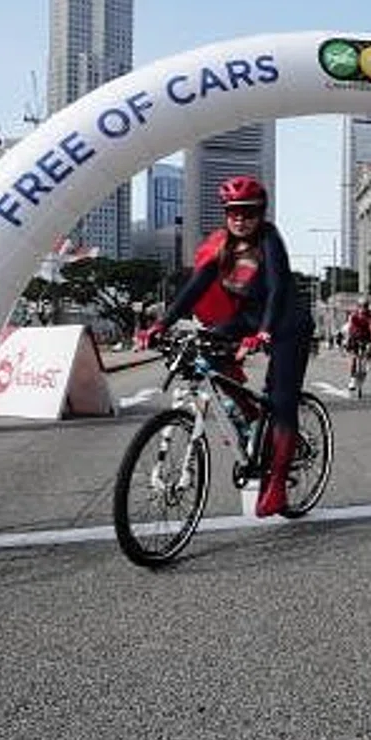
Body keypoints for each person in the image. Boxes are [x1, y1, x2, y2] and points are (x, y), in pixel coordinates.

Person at [140, 175, 312, 517]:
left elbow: (277, 288)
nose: (240, 219)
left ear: (260, 214)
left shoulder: (269, 239)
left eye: (248, 213)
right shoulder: (221, 245)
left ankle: (277, 484)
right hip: (248, 318)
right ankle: (249, 413)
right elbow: (195, 286)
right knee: (203, 352)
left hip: (286, 322)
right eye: (233, 212)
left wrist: (264, 332)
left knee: (281, 401)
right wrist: (162, 323)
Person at [343, 299, 371, 382]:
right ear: (358, 307)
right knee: (354, 358)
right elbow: (349, 327)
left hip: (366, 337)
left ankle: (365, 366)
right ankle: (352, 378)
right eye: (361, 306)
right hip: (355, 336)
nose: (363, 309)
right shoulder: (354, 315)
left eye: (365, 306)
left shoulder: (370, 315)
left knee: (370, 350)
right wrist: (347, 339)